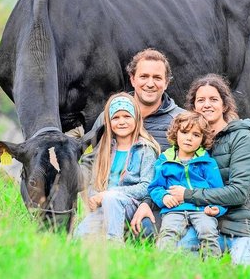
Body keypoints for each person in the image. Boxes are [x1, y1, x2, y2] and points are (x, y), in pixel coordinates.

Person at [131, 73, 250, 265]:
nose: (206, 104)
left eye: (213, 99)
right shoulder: (191, 141)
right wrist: (147, 203)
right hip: (207, 225)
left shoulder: (242, 137)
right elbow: (169, 174)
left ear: (224, 105)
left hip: (248, 226)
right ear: (193, 108)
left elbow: (239, 192)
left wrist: (187, 195)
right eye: (200, 100)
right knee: (174, 263)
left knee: (244, 267)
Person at [80, 48, 184, 238]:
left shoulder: (180, 121)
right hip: (108, 200)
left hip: (160, 203)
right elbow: (90, 161)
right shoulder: (109, 116)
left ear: (167, 82)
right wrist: (91, 197)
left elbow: (187, 171)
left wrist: (148, 203)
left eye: (157, 77)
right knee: (83, 237)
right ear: (132, 79)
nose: (150, 83)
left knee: (144, 233)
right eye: (144, 76)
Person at [74, 93, 160, 242]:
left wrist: (109, 194)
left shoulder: (145, 149)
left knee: (112, 198)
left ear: (136, 118)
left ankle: (114, 243)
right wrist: (94, 197)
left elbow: (146, 186)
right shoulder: (105, 149)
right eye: (116, 117)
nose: (121, 122)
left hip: (131, 204)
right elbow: (96, 181)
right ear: (109, 122)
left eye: (127, 116)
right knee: (79, 236)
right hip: (104, 205)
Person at [148, 111, 226, 257]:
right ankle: (162, 264)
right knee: (168, 233)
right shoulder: (164, 160)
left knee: (208, 232)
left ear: (203, 139)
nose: (189, 138)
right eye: (184, 132)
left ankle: (214, 265)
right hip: (174, 210)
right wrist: (164, 197)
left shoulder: (207, 162)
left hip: (202, 210)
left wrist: (217, 209)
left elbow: (218, 191)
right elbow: (155, 187)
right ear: (176, 133)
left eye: (196, 135)